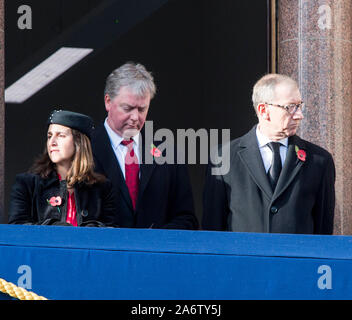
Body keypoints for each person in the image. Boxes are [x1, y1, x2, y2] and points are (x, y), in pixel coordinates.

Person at [202, 74, 335, 234]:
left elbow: (323, 230)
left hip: (295, 258)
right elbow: (212, 229)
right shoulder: (224, 157)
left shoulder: (319, 160)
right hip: (243, 258)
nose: (299, 115)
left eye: (300, 106)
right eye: (290, 107)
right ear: (264, 110)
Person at [91, 62, 198, 229]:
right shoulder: (84, 148)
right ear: (108, 102)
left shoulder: (168, 153)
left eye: (142, 110)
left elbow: (186, 218)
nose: (135, 117)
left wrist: (153, 242)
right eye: (128, 108)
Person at [8, 110, 118, 227]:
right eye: (49, 136)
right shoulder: (27, 184)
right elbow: (17, 228)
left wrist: (91, 230)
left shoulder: (102, 188)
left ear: (79, 142)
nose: (52, 142)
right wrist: (54, 228)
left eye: (61, 135)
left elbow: (111, 234)